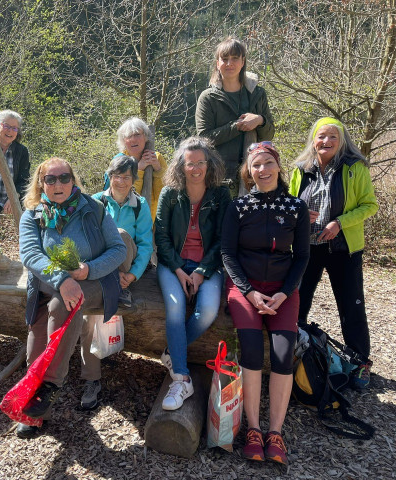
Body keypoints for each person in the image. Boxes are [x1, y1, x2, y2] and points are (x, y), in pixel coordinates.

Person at [17, 157, 126, 438]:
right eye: (50, 179)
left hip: (93, 281)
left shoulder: (94, 209)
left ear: (73, 179)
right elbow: (30, 254)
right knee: (36, 341)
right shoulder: (32, 214)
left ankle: (51, 384)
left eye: (64, 177)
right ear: (41, 183)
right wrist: (62, 279)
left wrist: (89, 269)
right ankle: (35, 410)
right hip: (48, 284)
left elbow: (117, 249)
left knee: (63, 305)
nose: (58, 184)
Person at [221, 142, 310, 464]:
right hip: (245, 289)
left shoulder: (296, 207)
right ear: (249, 171)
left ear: (278, 167)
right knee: (253, 351)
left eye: (268, 163)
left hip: (283, 291)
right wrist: (249, 292)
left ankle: (275, 431)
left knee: (284, 355)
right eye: (256, 165)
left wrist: (285, 293)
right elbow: (228, 254)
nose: (263, 169)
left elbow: (302, 256)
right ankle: (254, 429)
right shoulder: (239, 207)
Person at [289, 117, 378, 389]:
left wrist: (340, 223)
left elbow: (369, 205)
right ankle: (298, 355)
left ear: (341, 141)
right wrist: (300, 213)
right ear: (313, 140)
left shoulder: (354, 168)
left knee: (351, 305)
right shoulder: (300, 169)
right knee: (298, 301)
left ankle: (360, 362)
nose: (326, 142)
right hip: (308, 247)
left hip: (343, 249)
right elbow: (290, 203)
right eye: (321, 136)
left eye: (332, 137)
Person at [154, 137, 230, 411]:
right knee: (175, 310)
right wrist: (177, 268)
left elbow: (223, 239)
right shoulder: (170, 193)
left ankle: (173, 351)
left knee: (208, 311)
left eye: (200, 162)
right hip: (172, 264)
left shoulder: (221, 195)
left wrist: (201, 272)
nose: (196, 168)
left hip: (208, 267)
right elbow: (161, 238)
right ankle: (181, 378)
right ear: (180, 166)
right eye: (190, 163)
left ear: (209, 163)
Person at [79, 154, 153, 409]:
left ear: (133, 180)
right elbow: (87, 241)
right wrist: (102, 270)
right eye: (116, 176)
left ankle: (122, 287)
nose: (121, 181)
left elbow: (144, 244)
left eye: (126, 177)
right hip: (101, 268)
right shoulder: (95, 202)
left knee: (121, 235)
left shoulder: (140, 205)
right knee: (90, 318)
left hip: (126, 267)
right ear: (109, 176)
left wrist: (132, 275)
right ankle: (92, 380)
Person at [196, 37, 275, 196]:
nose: (229, 63)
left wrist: (260, 120)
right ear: (217, 63)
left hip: (256, 176)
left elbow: (269, 135)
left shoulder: (257, 94)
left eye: (234, 58)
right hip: (219, 179)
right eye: (224, 59)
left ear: (243, 61)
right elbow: (204, 139)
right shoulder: (208, 98)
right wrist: (237, 126)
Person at [108, 117, 167, 221]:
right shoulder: (118, 161)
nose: (133, 140)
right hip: (127, 221)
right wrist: (139, 169)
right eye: (129, 136)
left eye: (137, 135)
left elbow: (164, 195)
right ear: (123, 141)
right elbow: (123, 196)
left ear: (145, 137)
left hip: (155, 222)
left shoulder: (156, 157)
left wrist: (158, 169)